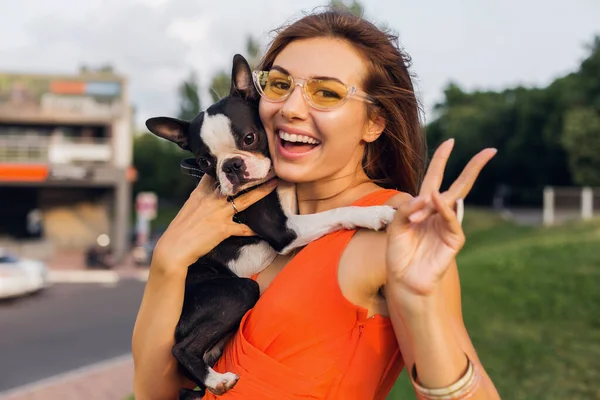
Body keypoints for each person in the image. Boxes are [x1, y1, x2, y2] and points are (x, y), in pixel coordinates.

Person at [132, 7, 501, 400]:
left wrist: (421, 303)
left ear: (374, 122)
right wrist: (168, 262)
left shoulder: (394, 228)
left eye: (326, 92)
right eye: (278, 84)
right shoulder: (230, 219)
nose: (291, 107)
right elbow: (157, 394)